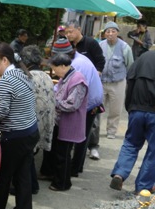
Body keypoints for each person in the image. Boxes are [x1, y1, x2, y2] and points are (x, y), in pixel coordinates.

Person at [0, 43, 39, 209]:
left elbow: (1, 112)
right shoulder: (22, 74)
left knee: (4, 174)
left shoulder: (6, 80)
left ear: (5, 60)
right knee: (23, 175)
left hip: (15, 135)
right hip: (31, 130)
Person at [47, 39, 103, 175]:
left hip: (89, 104)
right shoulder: (74, 61)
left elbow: (73, 95)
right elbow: (61, 84)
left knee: (77, 139)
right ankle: (69, 170)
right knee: (76, 139)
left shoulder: (77, 65)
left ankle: (72, 170)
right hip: (85, 101)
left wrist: (54, 100)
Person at [109, 50, 155, 194]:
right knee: (153, 151)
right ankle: (143, 187)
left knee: (131, 143)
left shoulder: (144, 57)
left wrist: (130, 107)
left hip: (136, 109)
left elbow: (130, 82)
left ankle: (120, 174)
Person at [47, 53, 88, 191]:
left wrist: (53, 102)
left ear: (63, 66)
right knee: (59, 153)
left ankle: (62, 183)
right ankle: (58, 179)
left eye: (55, 69)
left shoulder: (77, 79)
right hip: (62, 121)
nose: (54, 72)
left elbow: (72, 104)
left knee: (63, 155)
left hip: (70, 123)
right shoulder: (66, 76)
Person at [21, 45, 56, 193]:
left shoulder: (28, 77)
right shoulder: (46, 76)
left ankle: (29, 187)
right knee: (29, 155)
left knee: (25, 154)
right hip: (47, 122)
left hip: (33, 123)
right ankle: (32, 185)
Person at [99, 21, 134, 139]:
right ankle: (95, 131)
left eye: (113, 31)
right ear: (104, 34)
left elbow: (130, 66)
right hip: (102, 82)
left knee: (115, 109)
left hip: (118, 82)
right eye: (107, 31)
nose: (110, 34)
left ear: (117, 33)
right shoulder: (100, 45)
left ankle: (111, 131)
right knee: (97, 107)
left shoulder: (125, 47)